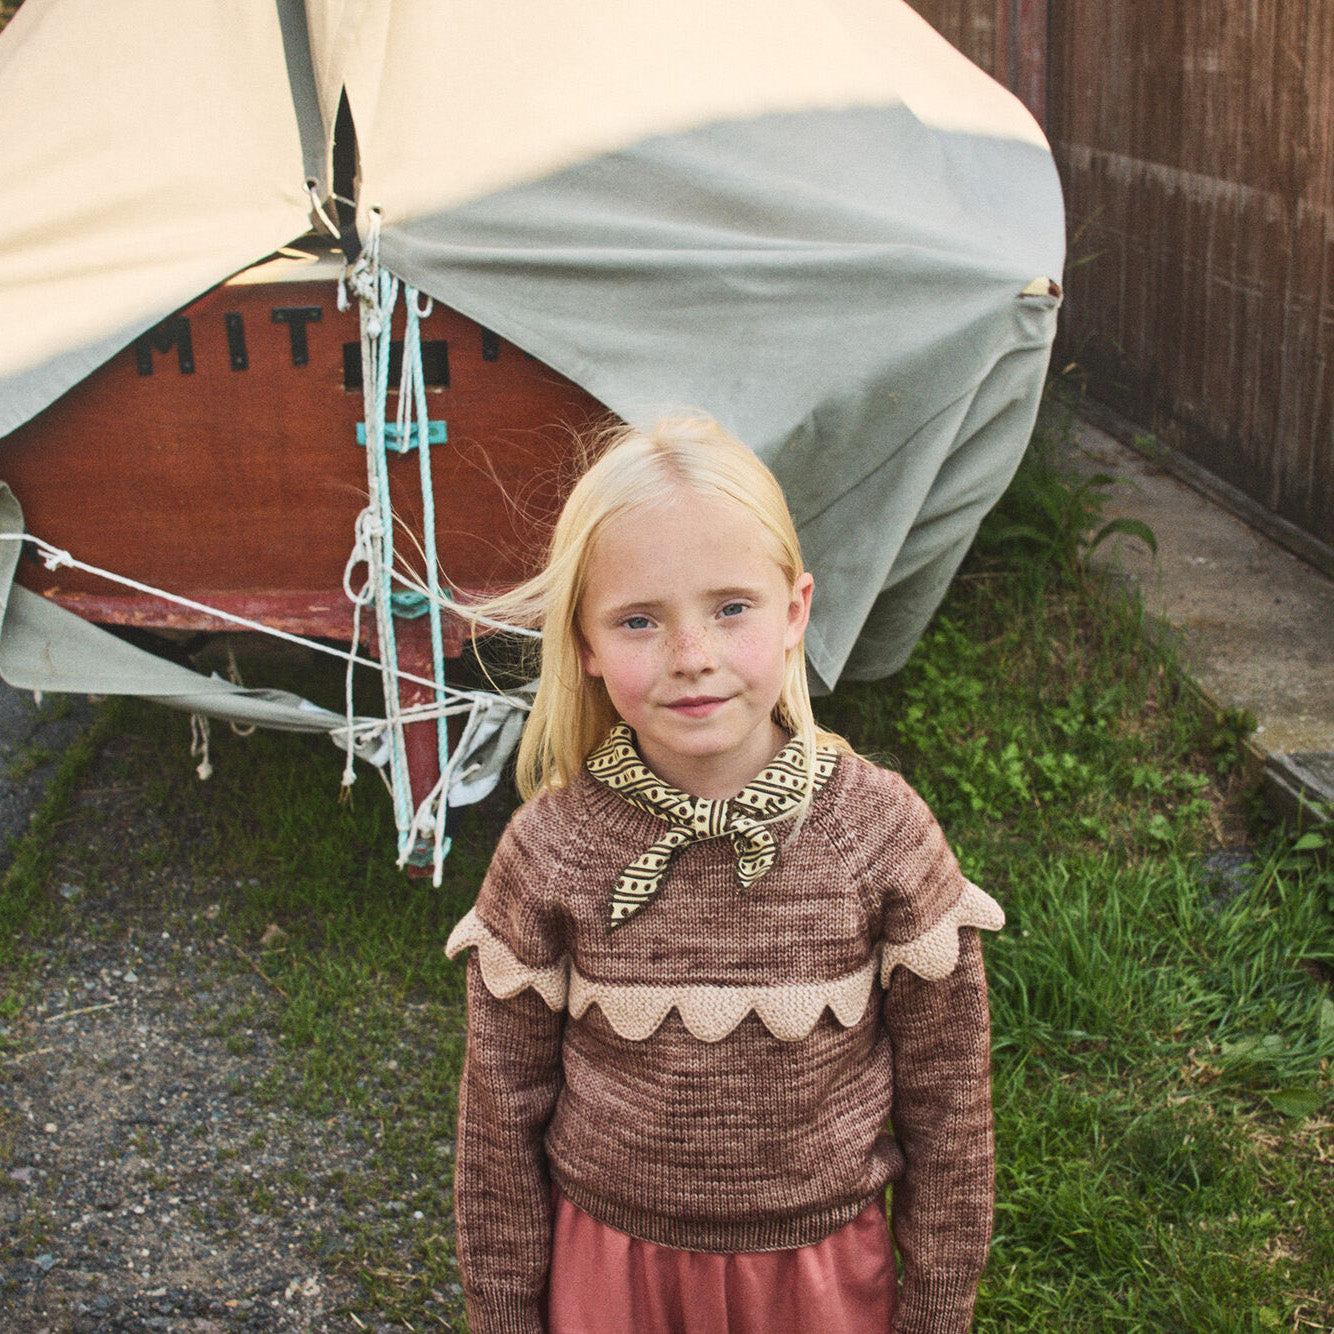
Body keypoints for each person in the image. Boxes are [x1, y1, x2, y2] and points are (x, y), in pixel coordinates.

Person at [445, 413, 1005, 1334]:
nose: (692, 656)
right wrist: (506, 1314)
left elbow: (951, 1105)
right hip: (616, 1276)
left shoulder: (878, 834)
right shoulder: (552, 852)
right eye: (638, 620)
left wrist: (937, 1307)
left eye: (730, 607)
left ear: (796, 611)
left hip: (820, 1281)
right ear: (583, 643)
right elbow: (499, 1123)